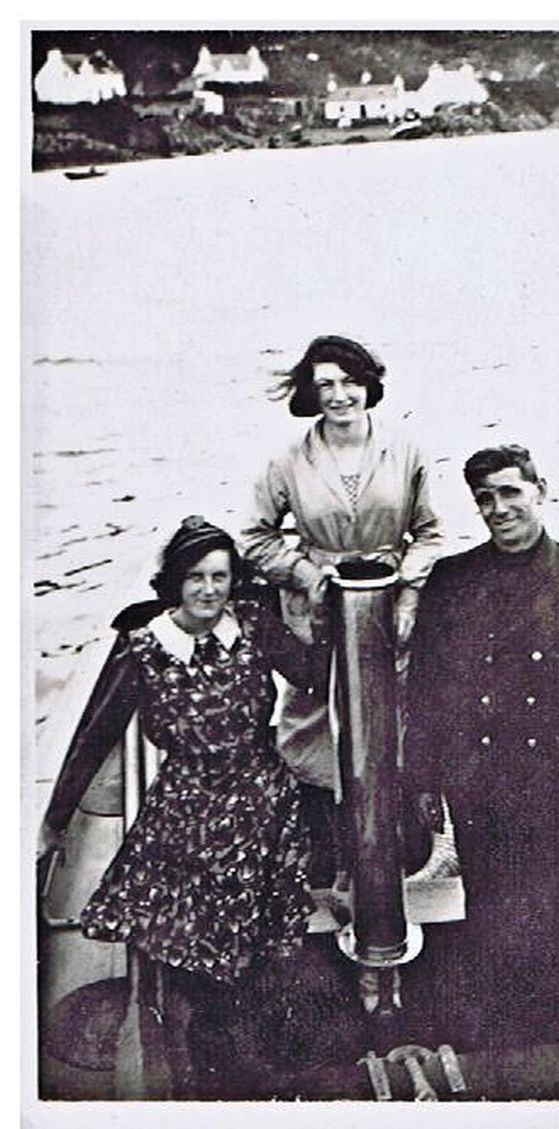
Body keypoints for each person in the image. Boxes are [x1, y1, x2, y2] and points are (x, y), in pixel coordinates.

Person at [37, 516, 329, 1094]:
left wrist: (328, 606)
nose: (209, 590)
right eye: (196, 577)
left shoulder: (252, 624)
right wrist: (52, 822)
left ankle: (244, 1050)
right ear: (175, 582)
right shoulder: (145, 648)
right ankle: (207, 1057)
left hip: (262, 807)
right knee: (194, 951)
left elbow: (312, 673)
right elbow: (97, 738)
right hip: (188, 813)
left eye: (220, 577)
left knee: (259, 948)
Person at [404, 444, 559, 1050]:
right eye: (485, 499)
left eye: (510, 492)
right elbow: (426, 686)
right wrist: (424, 779)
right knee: (488, 906)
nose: (499, 508)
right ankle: (501, 1035)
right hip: (478, 779)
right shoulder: (453, 580)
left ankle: (557, 1032)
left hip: (555, 779)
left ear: (540, 489)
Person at [242, 335, 445, 887]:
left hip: (389, 609)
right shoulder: (287, 461)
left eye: (350, 381)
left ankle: (401, 845)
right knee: (313, 722)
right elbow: (256, 539)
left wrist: (407, 591)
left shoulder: (406, 450)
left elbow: (429, 534)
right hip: (319, 612)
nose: (339, 395)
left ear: (369, 384)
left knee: (394, 719)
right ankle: (324, 848)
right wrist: (307, 576)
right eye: (325, 384)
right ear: (310, 391)